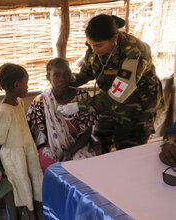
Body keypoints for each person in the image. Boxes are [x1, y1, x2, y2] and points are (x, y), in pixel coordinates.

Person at [68, 14, 163, 154]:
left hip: (137, 107)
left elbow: (117, 94)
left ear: (114, 38)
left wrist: (79, 106)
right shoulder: (96, 44)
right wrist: (65, 81)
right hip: (108, 101)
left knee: (128, 151)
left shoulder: (135, 54)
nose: (93, 50)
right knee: (98, 143)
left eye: (98, 45)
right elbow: (86, 73)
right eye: (90, 44)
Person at [26, 58, 99, 172]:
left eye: (66, 74)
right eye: (57, 75)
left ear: (71, 75)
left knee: (82, 169)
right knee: (53, 170)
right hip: (51, 147)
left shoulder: (82, 96)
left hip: (78, 145)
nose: (62, 79)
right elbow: (31, 131)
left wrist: (71, 151)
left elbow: (87, 131)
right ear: (48, 78)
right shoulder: (40, 102)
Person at [0, 63, 43, 220]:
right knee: (22, 185)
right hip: (14, 156)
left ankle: (37, 212)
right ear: (16, 85)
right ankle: (30, 214)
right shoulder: (3, 111)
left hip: (28, 150)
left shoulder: (19, 103)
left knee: (34, 180)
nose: (28, 87)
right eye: (26, 83)